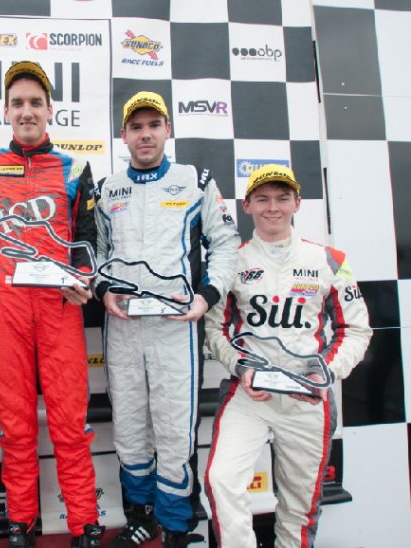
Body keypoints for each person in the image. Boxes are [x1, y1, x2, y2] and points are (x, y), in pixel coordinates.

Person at [93, 92, 240, 548]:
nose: (145, 134)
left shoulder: (195, 180)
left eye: (153, 125)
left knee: (175, 429)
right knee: (131, 427)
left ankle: (177, 526)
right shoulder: (107, 188)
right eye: (135, 127)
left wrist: (207, 297)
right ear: (123, 135)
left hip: (176, 326)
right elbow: (94, 253)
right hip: (122, 326)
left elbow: (226, 243)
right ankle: (141, 517)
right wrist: (102, 289)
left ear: (167, 130)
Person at [0, 61, 102, 547]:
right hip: (4, 312)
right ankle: (20, 521)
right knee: (16, 426)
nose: (27, 111)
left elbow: (88, 239)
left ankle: (85, 521)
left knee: (70, 423)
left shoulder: (74, 166)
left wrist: (83, 279)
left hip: (59, 310)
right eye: (18, 103)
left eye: (35, 103)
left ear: (50, 111)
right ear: (6, 111)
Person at [203, 164, 371, 547]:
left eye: (282, 198)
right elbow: (215, 330)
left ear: (297, 202)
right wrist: (240, 367)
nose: (272, 207)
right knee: (221, 479)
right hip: (249, 395)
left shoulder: (329, 260)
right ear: (247, 206)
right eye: (262, 199)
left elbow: (356, 329)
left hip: (307, 399)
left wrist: (325, 373)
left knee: (298, 510)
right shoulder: (233, 264)